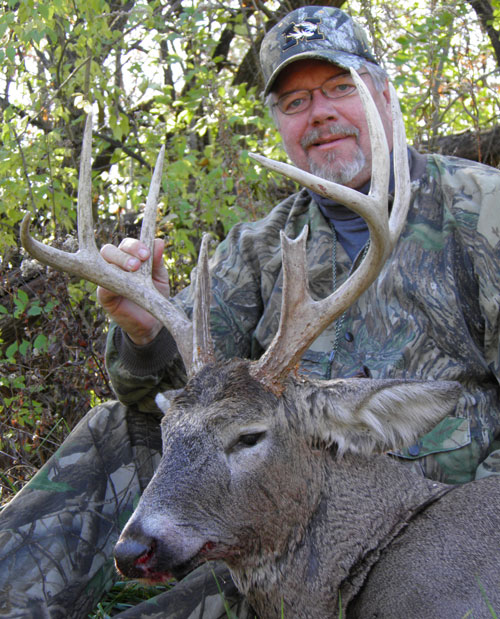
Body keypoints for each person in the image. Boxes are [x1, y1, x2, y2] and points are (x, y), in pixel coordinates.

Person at [1, 6, 500, 618]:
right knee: (116, 425)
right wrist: (146, 329)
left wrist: (475, 531)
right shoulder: (261, 245)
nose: (319, 113)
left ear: (384, 94)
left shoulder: (485, 211)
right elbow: (170, 401)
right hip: (264, 520)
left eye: (340, 87)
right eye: (293, 102)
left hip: (432, 534)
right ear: (279, 125)